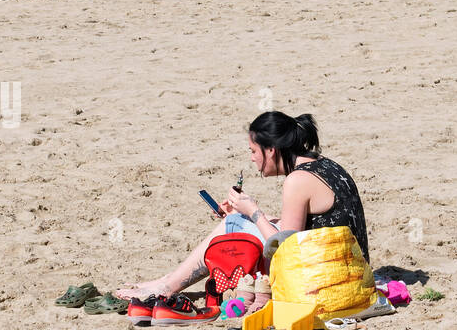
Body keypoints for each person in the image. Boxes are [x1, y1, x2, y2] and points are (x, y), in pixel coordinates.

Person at [115, 112, 369, 306]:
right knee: (237, 219)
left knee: (233, 225)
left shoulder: (297, 181)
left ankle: (166, 287)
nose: (252, 159)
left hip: (326, 280)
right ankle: (165, 282)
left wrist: (255, 212)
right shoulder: (323, 164)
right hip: (349, 269)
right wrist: (245, 212)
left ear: (271, 150)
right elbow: (307, 228)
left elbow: (287, 248)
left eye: (253, 151)